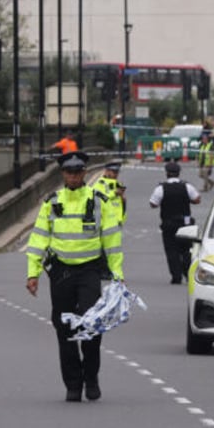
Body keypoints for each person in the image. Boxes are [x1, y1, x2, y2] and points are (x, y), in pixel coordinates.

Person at [24, 151, 125, 402]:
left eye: (78, 171)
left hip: (90, 270)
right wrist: (32, 273)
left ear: (84, 173)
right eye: (69, 172)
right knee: (64, 329)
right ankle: (73, 384)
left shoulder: (98, 200)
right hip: (61, 272)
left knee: (92, 325)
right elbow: (38, 240)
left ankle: (91, 378)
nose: (73, 176)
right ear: (63, 174)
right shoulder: (52, 202)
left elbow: (112, 240)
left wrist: (117, 275)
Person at [149, 161, 201, 284]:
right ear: (178, 173)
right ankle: (188, 274)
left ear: (167, 173)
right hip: (185, 224)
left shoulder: (161, 188)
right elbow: (197, 199)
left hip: (169, 224)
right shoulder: (187, 187)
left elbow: (153, 204)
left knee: (171, 250)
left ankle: (176, 276)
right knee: (186, 250)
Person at [91, 159, 127, 226]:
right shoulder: (99, 184)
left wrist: (123, 200)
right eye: (114, 172)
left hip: (117, 223)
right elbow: (98, 199)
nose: (116, 174)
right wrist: (114, 193)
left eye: (117, 172)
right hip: (105, 224)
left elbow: (119, 205)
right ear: (106, 171)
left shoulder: (117, 184)